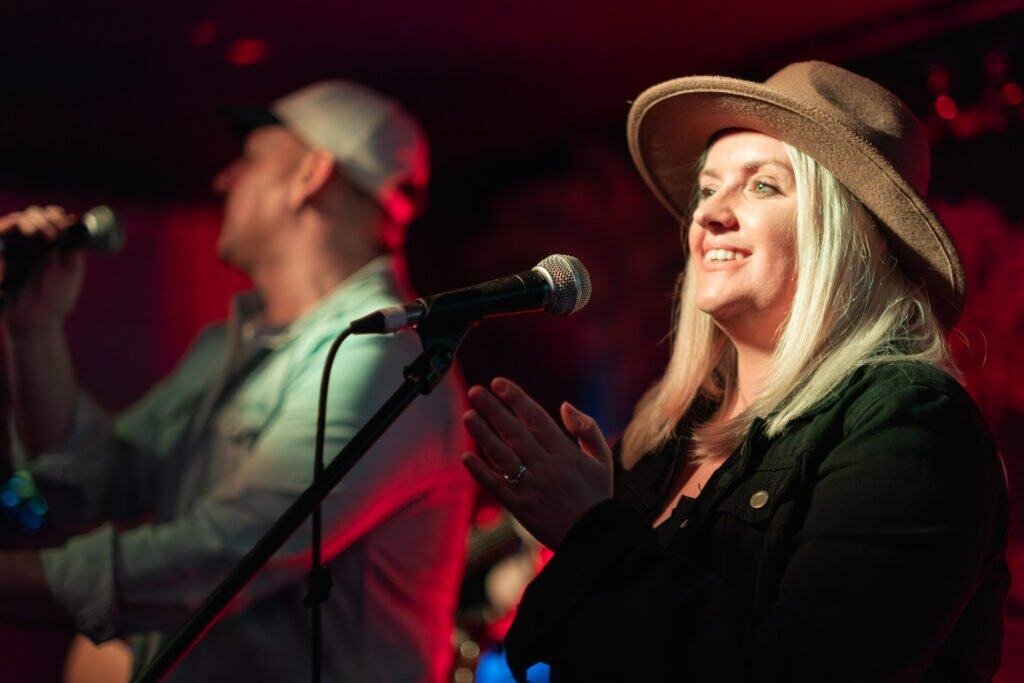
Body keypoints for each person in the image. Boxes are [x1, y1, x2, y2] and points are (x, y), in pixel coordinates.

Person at [461, 61, 1009, 680]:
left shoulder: (910, 421)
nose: (709, 214)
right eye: (707, 189)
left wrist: (592, 535)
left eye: (762, 186)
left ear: (848, 232)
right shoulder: (668, 432)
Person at [0, 80, 473, 681]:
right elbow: (97, 483)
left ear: (311, 174)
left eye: (249, 158)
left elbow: (216, 557)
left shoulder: (380, 360)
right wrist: (34, 332)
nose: (223, 180)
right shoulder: (227, 346)